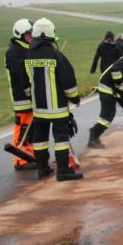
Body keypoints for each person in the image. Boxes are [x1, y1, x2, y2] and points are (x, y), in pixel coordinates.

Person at [24, 18, 83, 181]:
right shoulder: (56, 55)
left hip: (38, 108)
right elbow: (68, 82)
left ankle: (42, 169)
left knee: (40, 140)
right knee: (61, 139)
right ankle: (63, 171)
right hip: (57, 108)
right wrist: (75, 99)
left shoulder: (28, 55)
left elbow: (26, 82)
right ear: (51, 34)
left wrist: (32, 97)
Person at [5, 19, 36, 170]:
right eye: (28, 34)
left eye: (32, 33)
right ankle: (20, 161)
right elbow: (21, 75)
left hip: (30, 97)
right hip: (22, 98)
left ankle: (30, 156)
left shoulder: (26, 49)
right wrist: (30, 93)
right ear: (20, 34)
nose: (31, 36)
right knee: (23, 128)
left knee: (31, 129)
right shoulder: (14, 52)